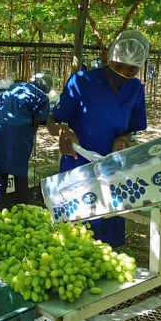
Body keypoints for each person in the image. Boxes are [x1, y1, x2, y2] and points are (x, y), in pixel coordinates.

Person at [47, 30, 149, 248]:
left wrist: (123, 139)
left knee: (109, 233)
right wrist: (63, 132)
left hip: (113, 169)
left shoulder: (135, 89)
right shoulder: (82, 82)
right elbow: (52, 121)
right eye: (118, 66)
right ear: (109, 58)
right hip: (78, 166)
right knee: (77, 237)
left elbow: (132, 128)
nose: (123, 73)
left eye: (131, 70)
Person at [0, 73, 52, 211]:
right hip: (18, 136)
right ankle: (23, 212)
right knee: (20, 176)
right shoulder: (42, 97)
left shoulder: (14, 87)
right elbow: (41, 120)